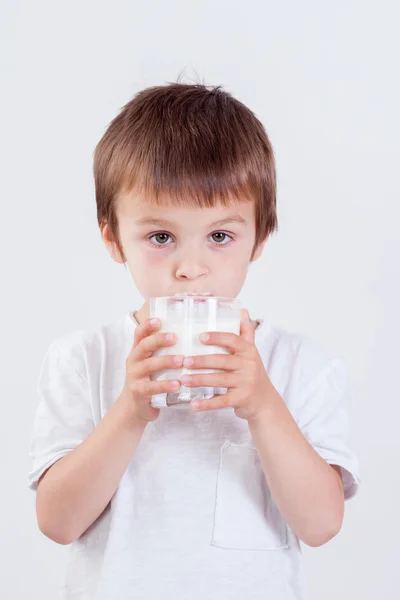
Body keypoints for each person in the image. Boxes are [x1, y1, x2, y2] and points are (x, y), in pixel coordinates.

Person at [28, 82, 361, 600]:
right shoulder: (82, 360)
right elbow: (57, 522)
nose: (190, 269)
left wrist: (264, 407)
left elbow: (320, 524)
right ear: (114, 239)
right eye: (160, 237)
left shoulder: (298, 365)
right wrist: (130, 410)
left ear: (260, 238)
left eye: (220, 236)